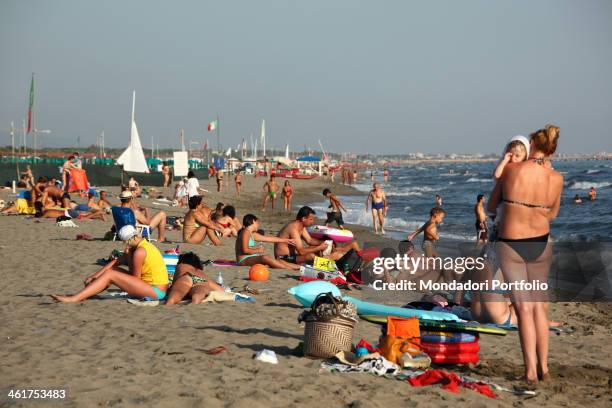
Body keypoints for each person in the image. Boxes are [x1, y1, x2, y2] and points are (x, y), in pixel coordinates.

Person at [487, 124, 563, 385]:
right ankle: (545, 368)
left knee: (524, 308)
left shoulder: (511, 170)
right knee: (540, 307)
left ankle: (530, 371)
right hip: (541, 242)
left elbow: (490, 205)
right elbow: (552, 214)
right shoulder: (557, 178)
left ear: (533, 145)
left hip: (511, 242)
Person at [51, 225, 168, 302]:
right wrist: (94, 277)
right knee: (111, 272)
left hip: (156, 292)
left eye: (124, 242)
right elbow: (115, 262)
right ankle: (88, 292)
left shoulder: (139, 252)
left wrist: (128, 256)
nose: (124, 245)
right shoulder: (141, 245)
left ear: (128, 240)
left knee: (110, 275)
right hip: (150, 286)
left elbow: (135, 277)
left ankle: (74, 298)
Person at [274, 206, 360, 265]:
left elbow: (310, 241)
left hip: (293, 256)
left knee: (314, 249)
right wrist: (319, 248)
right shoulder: (293, 228)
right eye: (311, 219)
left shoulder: (301, 226)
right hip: (284, 258)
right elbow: (301, 251)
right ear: (303, 219)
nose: (312, 222)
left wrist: (325, 242)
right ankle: (331, 259)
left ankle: (333, 257)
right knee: (311, 255)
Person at [235, 214, 300, 270]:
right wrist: (258, 250)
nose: (258, 225)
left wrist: (286, 240)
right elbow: (245, 250)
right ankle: (288, 269)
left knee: (278, 260)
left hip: (251, 257)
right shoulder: (245, 232)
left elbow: (269, 239)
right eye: (258, 223)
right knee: (265, 257)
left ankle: (300, 267)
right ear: (253, 221)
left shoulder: (251, 234)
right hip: (243, 259)